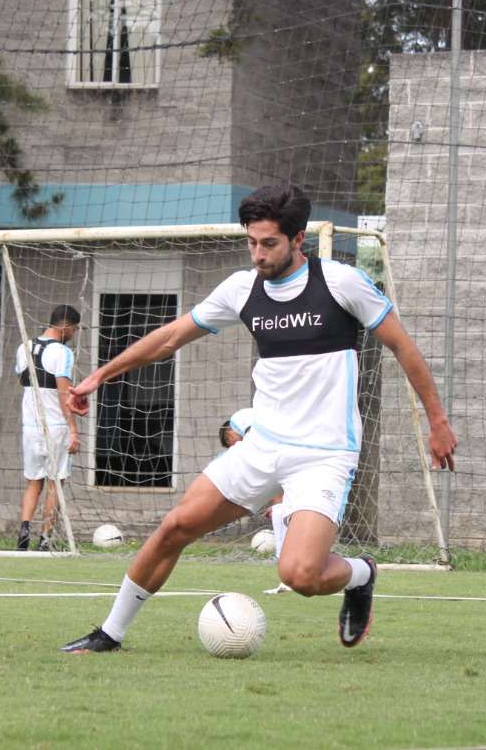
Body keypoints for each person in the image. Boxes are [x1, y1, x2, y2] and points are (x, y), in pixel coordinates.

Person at [60, 184, 456, 653]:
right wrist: (100, 375)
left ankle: (361, 573)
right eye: (252, 242)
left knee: (300, 575)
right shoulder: (241, 289)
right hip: (261, 446)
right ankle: (110, 633)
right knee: (175, 527)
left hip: (323, 455)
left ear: (297, 240)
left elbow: (402, 346)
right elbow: (170, 338)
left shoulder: (341, 283)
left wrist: (437, 421)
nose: (258, 254)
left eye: (269, 243)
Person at [15, 304, 82, 552]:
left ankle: (23, 532)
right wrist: (73, 429)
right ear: (65, 326)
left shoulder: (24, 347)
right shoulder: (61, 352)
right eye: (74, 330)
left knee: (33, 481)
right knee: (55, 483)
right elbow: (64, 391)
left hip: (30, 425)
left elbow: (21, 381)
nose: (73, 334)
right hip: (55, 426)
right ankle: (45, 539)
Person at [220, 407, 294, 595]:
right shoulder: (262, 430)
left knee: (279, 503)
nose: (234, 447)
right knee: (279, 504)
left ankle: (287, 576)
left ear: (231, 430)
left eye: (230, 441)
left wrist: (279, 505)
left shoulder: (251, 425)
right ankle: (290, 573)